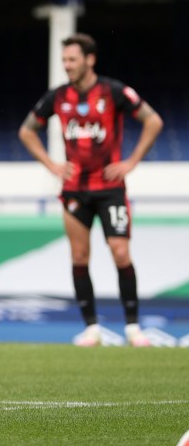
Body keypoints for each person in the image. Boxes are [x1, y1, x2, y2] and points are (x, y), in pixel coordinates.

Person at [18, 33, 163, 347]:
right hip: (74, 190)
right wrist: (52, 165)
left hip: (111, 188)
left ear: (89, 60)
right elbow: (27, 131)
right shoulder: (57, 97)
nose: (67, 65)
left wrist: (131, 162)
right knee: (79, 255)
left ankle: (133, 328)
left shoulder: (113, 91)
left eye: (72, 59)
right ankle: (91, 328)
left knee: (120, 252)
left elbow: (153, 121)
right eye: (64, 60)